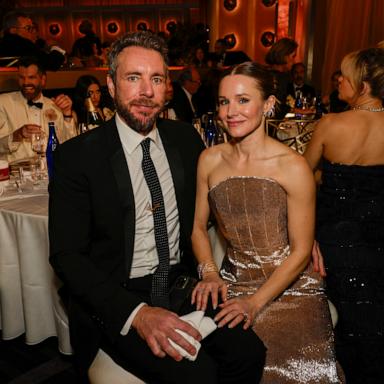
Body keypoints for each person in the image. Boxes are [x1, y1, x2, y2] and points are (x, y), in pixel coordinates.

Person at [49, 31, 266, 384]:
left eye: (157, 79)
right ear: (111, 84)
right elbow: (66, 256)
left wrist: (291, 234)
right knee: (200, 375)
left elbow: (225, 200)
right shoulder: (77, 157)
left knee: (249, 353)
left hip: (183, 285)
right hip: (118, 296)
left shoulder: (184, 139)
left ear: (167, 86)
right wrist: (138, 314)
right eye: (133, 78)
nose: (147, 92)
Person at [191, 61, 342, 383]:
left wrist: (254, 303)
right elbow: (198, 228)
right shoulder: (209, 159)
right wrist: (210, 272)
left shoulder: (293, 166)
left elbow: (302, 251)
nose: (231, 111)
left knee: (283, 371)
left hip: (291, 287)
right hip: (233, 282)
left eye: (243, 100)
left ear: (268, 104)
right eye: (224, 101)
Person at [304, 47, 384, 383]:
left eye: (344, 76)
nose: (338, 80)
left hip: (335, 240)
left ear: (363, 86)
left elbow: (302, 177)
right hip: (377, 238)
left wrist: (328, 177)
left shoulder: (331, 124)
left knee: (340, 319)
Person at [0, 56, 76, 163]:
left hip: (49, 171)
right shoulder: (3, 103)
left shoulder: (54, 106)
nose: (26, 82)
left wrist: (67, 114)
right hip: (15, 173)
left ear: (43, 79)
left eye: (31, 77)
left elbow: (69, 145)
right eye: (22, 77)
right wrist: (16, 136)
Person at [0, 11, 65, 71]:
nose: (32, 32)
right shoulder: (23, 44)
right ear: (13, 30)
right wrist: (55, 47)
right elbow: (52, 64)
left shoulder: (3, 43)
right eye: (28, 28)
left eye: (32, 28)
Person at [265, 37, 298, 118]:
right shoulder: (282, 77)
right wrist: (299, 111)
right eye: (293, 56)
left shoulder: (265, 73)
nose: (294, 61)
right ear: (284, 56)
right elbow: (278, 108)